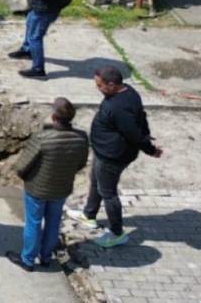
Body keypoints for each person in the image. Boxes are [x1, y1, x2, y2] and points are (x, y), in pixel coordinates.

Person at [67, 66, 164, 248]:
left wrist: (150, 149)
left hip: (113, 156)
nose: (98, 88)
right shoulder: (128, 91)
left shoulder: (118, 107)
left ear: (111, 85)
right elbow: (141, 117)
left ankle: (116, 233)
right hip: (104, 151)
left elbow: (133, 134)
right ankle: (89, 215)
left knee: (108, 193)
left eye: (100, 85)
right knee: (95, 179)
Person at [6, 98, 89, 272]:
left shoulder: (42, 137)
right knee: (53, 223)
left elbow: (21, 166)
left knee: (33, 223)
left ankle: (28, 259)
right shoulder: (81, 138)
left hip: (37, 189)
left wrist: (27, 177)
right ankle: (46, 257)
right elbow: (80, 164)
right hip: (62, 188)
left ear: (53, 116)